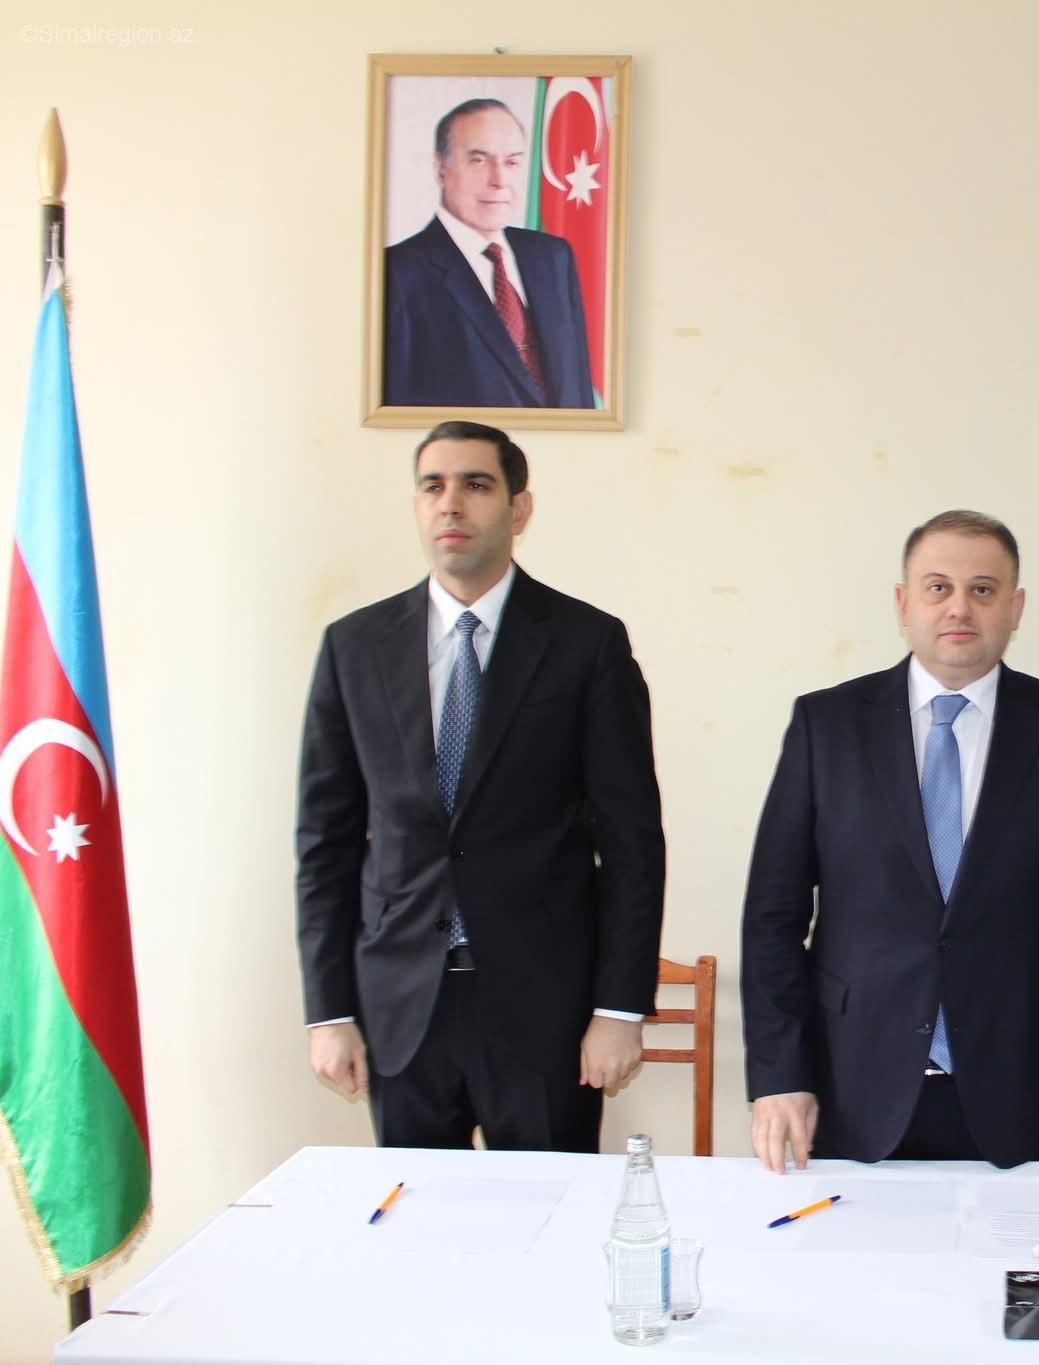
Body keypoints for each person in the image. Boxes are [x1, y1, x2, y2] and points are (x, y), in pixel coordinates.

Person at [741, 510, 1039, 1177]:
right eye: (938, 588)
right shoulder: (827, 725)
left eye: (983, 589)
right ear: (904, 604)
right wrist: (780, 1074)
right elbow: (772, 917)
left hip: (1029, 1091)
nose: (960, 607)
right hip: (852, 1086)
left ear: (1015, 608)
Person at [296, 420, 664, 1151]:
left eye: (476, 484)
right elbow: (324, 844)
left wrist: (619, 1008)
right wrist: (328, 1010)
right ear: (416, 506)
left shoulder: (587, 644)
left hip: (545, 1011)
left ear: (518, 509)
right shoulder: (354, 646)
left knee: (554, 1211)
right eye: (433, 486)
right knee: (412, 1213)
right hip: (402, 1008)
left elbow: (632, 844)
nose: (451, 503)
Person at [383, 99, 596, 409]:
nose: (499, 180)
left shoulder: (553, 257)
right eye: (479, 160)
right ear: (440, 167)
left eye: (512, 162)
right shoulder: (397, 273)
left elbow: (578, 390)